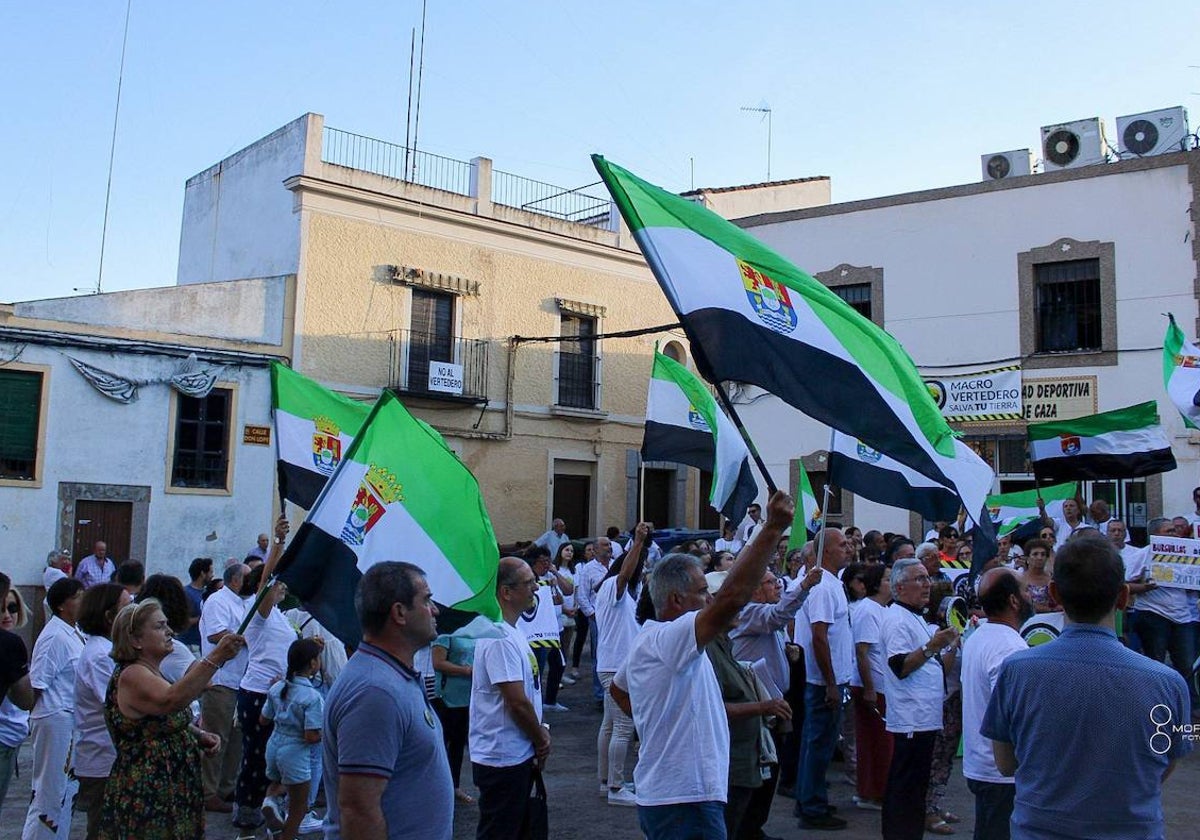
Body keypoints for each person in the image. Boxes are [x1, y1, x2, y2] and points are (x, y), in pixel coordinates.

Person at [609, 491, 793, 840]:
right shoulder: (670, 637)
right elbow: (732, 598)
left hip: (683, 795)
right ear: (676, 599)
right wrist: (771, 528)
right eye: (701, 592)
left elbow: (619, 688)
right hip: (683, 800)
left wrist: (658, 720)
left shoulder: (656, 642)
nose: (709, 600)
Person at [982, 535, 1192, 839]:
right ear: (1123, 597)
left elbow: (1005, 764)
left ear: (1055, 593)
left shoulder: (1016, 671)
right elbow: (1167, 761)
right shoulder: (1169, 683)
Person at [322, 562, 451, 839]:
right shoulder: (375, 691)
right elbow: (359, 810)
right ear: (400, 612)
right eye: (427, 600)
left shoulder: (390, 677)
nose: (435, 610)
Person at [96, 598, 243, 840]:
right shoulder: (133, 674)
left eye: (167, 625)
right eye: (159, 626)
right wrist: (216, 657)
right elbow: (170, 700)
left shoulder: (152, 671)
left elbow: (158, 722)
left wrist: (199, 735)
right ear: (135, 640)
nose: (170, 632)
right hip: (148, 793)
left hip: (169, 789)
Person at [727, 559, 822, 837]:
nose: (777, 585)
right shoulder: (749, 612)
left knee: (771, 768)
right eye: (770, 582)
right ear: (754, 590)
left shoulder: (762, 614)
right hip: (755, 705)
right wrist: (803, 586)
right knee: (758, 771)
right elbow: (777, 616)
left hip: (773, 702)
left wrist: (788, 652)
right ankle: (746, 829)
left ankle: (755, 826)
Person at [470, 557, 551, 839]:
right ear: (506, 592)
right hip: (501, 757)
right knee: (500, 832)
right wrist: (540, 738)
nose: (536, 589)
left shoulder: (513, 631)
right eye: (529, 584)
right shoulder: (499, 637)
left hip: (515, 752)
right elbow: (515, 701)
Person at [880, 557, 959, 840]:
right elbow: (900, 666)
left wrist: (950, 643)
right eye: (919, 579)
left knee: (916, 788)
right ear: (899, 587)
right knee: (905, 787)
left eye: (927, 578)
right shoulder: (896, 619)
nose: (927, 584)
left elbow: (938, 667)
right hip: (911, 719)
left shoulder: (918, 618)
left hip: (926, 717)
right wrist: (932, 645)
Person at [960, 568, 1034, 840]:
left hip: (983, 765)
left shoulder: (980, 636)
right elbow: (1013, 715)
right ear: (1014, 601)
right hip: (1000, 772)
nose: (1031, 595)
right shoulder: (1009, 648)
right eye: (1025, 590)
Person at [234, 528, 297, 830]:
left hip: (276, 692)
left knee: (275, 757)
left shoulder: (279, 616)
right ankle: (248, 813)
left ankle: (269, 809)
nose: (280, 585)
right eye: (276, 583)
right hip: (258, 692)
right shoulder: (258, 612)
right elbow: (265, 584)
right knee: (258, 756)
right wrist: (278, 544)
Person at [793, 528, 855, 830]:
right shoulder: (822, 588)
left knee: (818, 743)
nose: (849, 548)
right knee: (819, 744)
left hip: (833, 677)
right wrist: (830, 682)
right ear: (825, 551)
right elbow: (819, 637)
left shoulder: (833, 584)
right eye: (842, 544)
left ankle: (810, 798)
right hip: (823, 682)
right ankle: (812, 808)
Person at [23, 576, 85, 840]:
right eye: (78, 597)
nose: (84, 601)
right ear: (62, 605)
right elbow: (37, 684)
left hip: (69, 718)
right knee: (50, 790)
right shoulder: (54, 637)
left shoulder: (74, 631)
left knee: (65, 790)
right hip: (54, 718)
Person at [594, 523, 649, 806]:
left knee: (609, 725)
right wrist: (637, 542)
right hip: (616, 668)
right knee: (624, 726)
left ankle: (607, 782)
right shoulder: (611, 587)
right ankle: (616, 788)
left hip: (612, 665)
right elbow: (625, 572)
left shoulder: (620, 594)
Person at [73, 583, 132, 840]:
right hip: (103, 758)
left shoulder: (107, 651)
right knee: (103, 830)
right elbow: (123, 704)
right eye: (127, 607)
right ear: (110, 617)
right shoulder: (100, 655)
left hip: (110, 756)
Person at [1129, 516, 1198, 709]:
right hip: (1153, 615)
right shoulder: (1143, 555)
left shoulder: (1188, 555)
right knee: (1155, 665)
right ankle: (1155, 706)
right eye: (1169, 531)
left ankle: (1187, 708)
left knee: (1187, 666)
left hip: (1183, 618)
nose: (1174, 533)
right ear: (1155, 535)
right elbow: (1124, 584)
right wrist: (1145, 587)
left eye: (1175, 530)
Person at [198, 561, 251, 813]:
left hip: (241, 680)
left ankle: (226, 787)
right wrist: (248, 639)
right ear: (235, 580)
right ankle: (207, 791)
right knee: (217, 737)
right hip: (222, 679)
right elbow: (216, 634)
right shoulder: (218, 601)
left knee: (236, 739)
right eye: (248, 578)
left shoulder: (242, 602)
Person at [260, 638, 325, 838]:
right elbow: (311, 736)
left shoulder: (277, 688)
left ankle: (270, 803)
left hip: (274, 744)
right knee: (298, 806)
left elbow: (263, 720)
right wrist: (328, 734)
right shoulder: (313, 697)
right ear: (313, 664)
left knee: (275, 783)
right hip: (296, 751)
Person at [849, 563, 892, 812]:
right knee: (875, 741)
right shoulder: (867, 610)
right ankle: (872, 792)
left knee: (881, 741)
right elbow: (862, 651)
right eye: (887, 579)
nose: (891, 583)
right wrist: (869, 688)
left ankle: (876, 788)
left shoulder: (882, 609)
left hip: (883, 684)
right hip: (872, 684)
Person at [432, 626, 476, 805]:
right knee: (442, 744)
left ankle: (454, 786)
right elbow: (437, 662)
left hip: (468, 697)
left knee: (458, 745)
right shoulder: (446, 631)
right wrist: (465, 671)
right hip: (447, 697)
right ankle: (437, 788)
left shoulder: (473, 628)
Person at [0, 585, 31, 818]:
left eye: (11, 608)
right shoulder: (10, 645)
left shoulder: (13, 644)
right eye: (1, 608)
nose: (6, 614)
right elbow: (25, 698)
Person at [576, 536, 614, 702]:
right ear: (596, 549)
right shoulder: (588, 569)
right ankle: (600, 694)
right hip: (598, 618)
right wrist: (591, 614)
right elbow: (582, 595)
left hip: (615, 616)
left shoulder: (615, 565)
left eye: (610, 545)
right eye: (605, 545)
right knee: (599, 653)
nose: (609, 547)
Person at [181, 557, 213, 649]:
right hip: (191, 646)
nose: (212, 575)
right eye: (210, 572)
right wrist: (203, 618)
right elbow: (183, 621)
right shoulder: (186, 593)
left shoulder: (208, 593)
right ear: (203, 574)